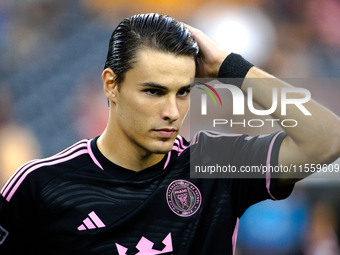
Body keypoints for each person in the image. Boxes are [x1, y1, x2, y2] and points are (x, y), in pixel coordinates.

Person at [0, 13, 339, 255]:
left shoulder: (215, 166)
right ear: (111, 85)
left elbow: (328, 140)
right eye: (153, 91)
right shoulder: (40, 186)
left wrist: (228, 65)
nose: (172, 112)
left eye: (183, 92)